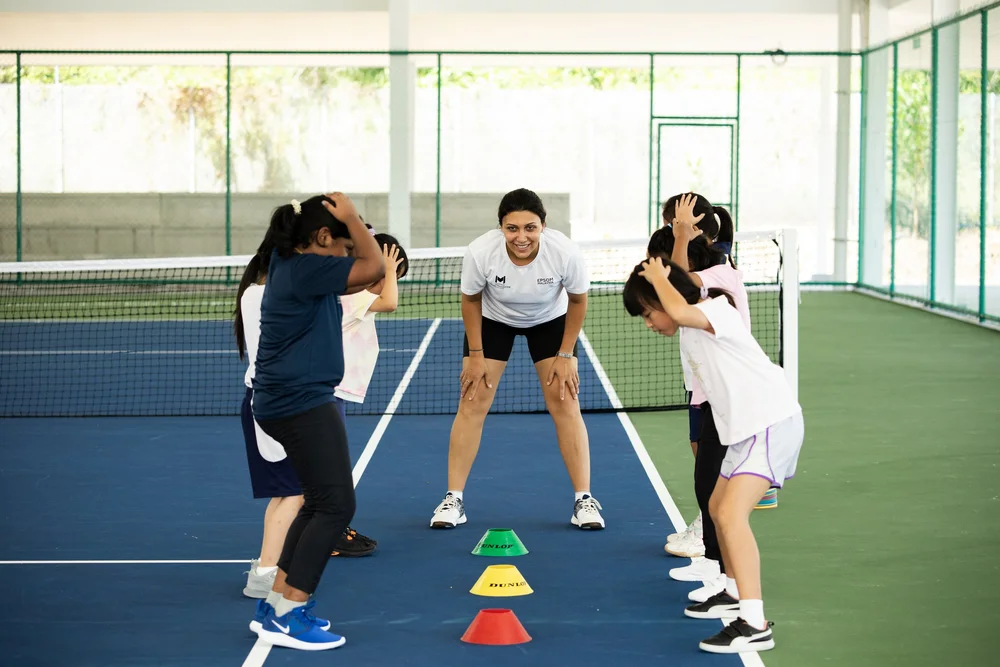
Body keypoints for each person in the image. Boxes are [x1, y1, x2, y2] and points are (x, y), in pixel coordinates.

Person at [622, 256, 803, 655]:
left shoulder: (715, 311)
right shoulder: (691, 329)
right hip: (743, 433)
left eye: (648, 314)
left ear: (666, 299)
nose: (648, 324)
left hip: (768, 424)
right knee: (718, 509)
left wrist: (660, 278)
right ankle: (734, 593)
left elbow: (680, 309)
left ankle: (754, 623)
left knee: (731, 516)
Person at [248, 193, 385, 651]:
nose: (347, 254)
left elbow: (368, 276)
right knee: (336, 507)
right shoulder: (306, 269)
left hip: (288, 401)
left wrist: (353, 229)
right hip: (301, 403)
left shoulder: (297, 267)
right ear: (323, 237)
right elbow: (374, 267)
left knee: (316, 503)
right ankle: (289, 614)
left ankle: (276, 604)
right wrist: (352, 218)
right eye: (342, 245)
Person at [428, 188, 604, 530]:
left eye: (530, 227)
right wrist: (475, 355)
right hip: (494, 320)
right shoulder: (481, 252)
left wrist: (566, 353)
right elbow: (470, 300)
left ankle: (584, 499)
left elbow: (578, 300)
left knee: (566, 402)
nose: (521, 237)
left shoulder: (565, 252)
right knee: (472, 402)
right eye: (512, 228)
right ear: (501, 227)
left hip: (550, 321)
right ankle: (453, 499)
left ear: (543, 226)